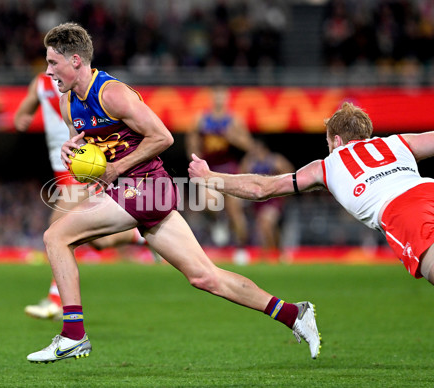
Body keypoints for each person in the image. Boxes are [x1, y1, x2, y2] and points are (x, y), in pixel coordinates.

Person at [26, 22, 320, 363]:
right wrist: (71, 154)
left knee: (56, 237)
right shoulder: (68, 103)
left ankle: (73, 335)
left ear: (76, 60)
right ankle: (295, 314)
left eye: (53, 63)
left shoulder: (111, 93)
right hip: (136, 191)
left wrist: (116, 169)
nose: (48, 71)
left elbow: (163, 137)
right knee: (205, 276)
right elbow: (87, 147)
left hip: (146, 188)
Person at [189, 102, 434, 286]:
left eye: (327, 141)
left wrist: (210, 178)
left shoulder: (325, 166)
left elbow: (262, 188)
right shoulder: (398, 142)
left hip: (403, 211)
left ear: (336, 140)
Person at [14, 72, 155, 320]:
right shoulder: (40, 83)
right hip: (60, 169)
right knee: (97, 242)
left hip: (82, 166)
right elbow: (24, 110)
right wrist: (22, 117)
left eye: (54, 61)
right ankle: (144, 234)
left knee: (57, 229)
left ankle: (56, 301)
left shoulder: (76, 86)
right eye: (48, 62)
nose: (50, 69)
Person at [186, 85, 253, 254]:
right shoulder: (201, 119)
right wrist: (195, 159)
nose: (219, 98)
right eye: (216, 94)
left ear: (227, 97)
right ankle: (218, 222)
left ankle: (241, 248)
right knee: (208, 203)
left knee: (235, 211)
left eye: (222, 95)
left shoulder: (234, 120)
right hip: (210, 169)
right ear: (211, 96)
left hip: (230, 169)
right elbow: (191, 141)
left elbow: (248, 145)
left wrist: (233, 137)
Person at [239, 139, 295, 260]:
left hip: (273, 199)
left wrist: (281, 189)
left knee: (266, 224)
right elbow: (240, 175)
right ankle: (278, 252)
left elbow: (290, 173)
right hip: (258, 201)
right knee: (264, 228)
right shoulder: (250, 162)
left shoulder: (274, 160)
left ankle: (270, 254)